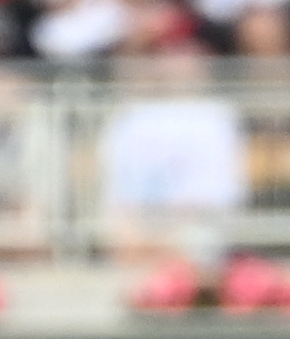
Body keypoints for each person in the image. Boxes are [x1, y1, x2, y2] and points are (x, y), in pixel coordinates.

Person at [99, 17, 251, 258]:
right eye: (167, 50)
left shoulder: (218, 116)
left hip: (195, 229)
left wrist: (166, 235)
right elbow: (118, 191)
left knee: (198, 241)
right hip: (139, 230)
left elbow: (218, 196)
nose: (176, 60)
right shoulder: (130, 116)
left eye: (185, 50)